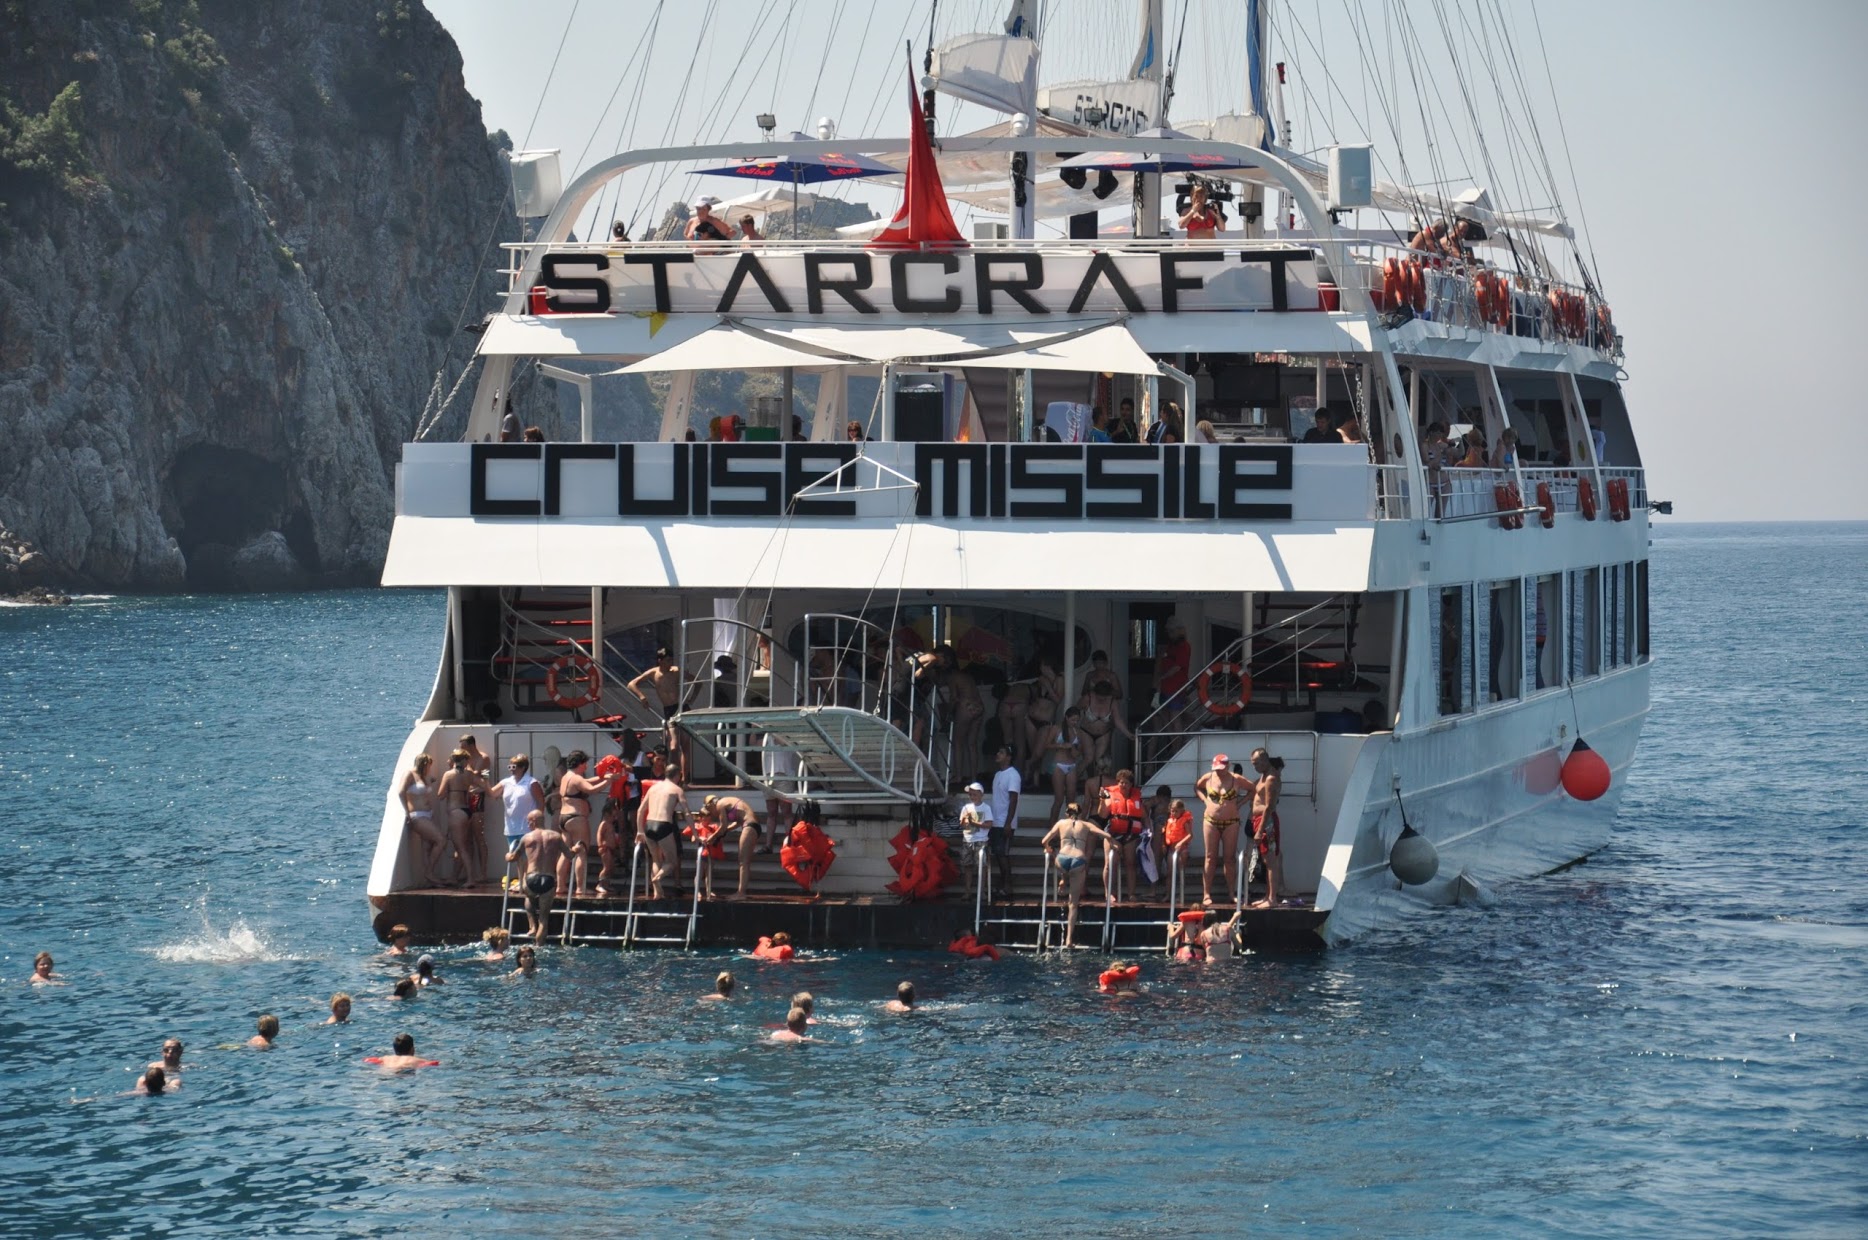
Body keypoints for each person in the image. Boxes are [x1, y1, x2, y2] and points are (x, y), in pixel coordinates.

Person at [1041, 804, 1113, 949]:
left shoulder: (1061, 823)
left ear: (1067, 813)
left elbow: (1044, 841)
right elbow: (1107, 835)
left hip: (1061, 860)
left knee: (1054, 856)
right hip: (1078, 861)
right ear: (1080, 814)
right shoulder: (1086, 825)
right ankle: (1069, 939)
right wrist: (1112, 843)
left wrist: (1048, 849)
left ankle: (1063, 879)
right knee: (1073, 904)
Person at [1196, 754, 1250, 908]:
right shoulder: (1208, 777)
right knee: (1210, 857)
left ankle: (1231, 893)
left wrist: (1239, 803)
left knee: (1229, 858)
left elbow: (1252, 789)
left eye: (1221, 768)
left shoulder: (1236, 779)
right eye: (1216, 769)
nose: (1218, 771)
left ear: (1227, 766)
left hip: (1231, 822)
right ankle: (1206, 894)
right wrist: (1205, 800)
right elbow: (1197, 787)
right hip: (1211, 821)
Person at [488, 754, 546, 887]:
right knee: (517, 856)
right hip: (511, 826)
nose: (511, 769)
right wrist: (484, 780)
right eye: (510, 766)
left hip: (528, 826)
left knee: (528, 856)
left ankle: (527, 881)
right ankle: (521, 881)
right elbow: (492, 794)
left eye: (514, 766)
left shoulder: (531, 782)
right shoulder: (506, 782)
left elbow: (541, 801)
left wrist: (539, 821)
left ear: (523, 767)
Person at [509, 808, 567, 941]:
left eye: (529, 822)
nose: (528, 825)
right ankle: (539, 947)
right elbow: (569, 855)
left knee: (529, 897)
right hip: (548, 879)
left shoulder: (527, 837)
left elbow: (514, 857)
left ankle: (532, 926)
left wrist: (507, 855)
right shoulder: (556, 836)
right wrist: (577, 849)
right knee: (544, 918)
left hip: (531, 878)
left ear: (534, 821)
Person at [556, 751, 606, 899]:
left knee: (566, 853)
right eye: (585, 763)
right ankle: (580, 888)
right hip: (576, 818)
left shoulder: (566, 776)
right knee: (581, 852)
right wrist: (609, 782)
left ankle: (560, 885)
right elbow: (592, 789)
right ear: (580, 763)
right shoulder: (577, 778)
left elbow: (588, 781)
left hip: (563, 818)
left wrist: (604, 777)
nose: (586, 766)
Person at [435, 749, 487, 887]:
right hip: (467, 811)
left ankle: (471, 879)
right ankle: (454, 877)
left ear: (453, 760)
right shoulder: (469, 774)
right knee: (463, 845)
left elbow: (440, 795)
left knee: (461, 847)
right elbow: (483, 783)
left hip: (455, 811)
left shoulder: (448, 774)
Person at [696, 794, 763, 900]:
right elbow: (736, 823)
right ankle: (741, 892)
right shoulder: (727, 801)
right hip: (752, 826)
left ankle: (741, 893)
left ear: (711, 804)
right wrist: (725, 831)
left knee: (743, 862)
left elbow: (723, 826)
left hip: (749, 827)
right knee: (744, 862)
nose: (712, 813)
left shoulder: (720, 804)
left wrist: (712, 837)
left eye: (709, 810)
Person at [1075, 649, 1133, 772]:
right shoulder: (1090, 678)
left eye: (1101, 663)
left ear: (1106, 663)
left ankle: (1098, 784)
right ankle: (1079, 781)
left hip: (1105, 726)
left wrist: (1129, 734)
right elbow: (1077, 704)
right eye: (1096, 663)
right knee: (1088, 758)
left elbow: (1120, 697)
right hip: (1088, 726)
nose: (1099, 665)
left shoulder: (1111, 678)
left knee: (1101, 760)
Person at [637, 762, 688, 901]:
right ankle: (656, 878)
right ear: (678, 775)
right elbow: (687, 813)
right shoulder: (677, 789)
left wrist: (639, 831)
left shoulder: (653, 788)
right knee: (672, 862)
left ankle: (657, 893)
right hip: (664, 825)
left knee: (656, 860)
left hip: (648, 825)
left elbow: (640, 810)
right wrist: (694, 833)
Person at [628, 648, 691, 753]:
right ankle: (672, 768)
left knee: (685, 746)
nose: (670, 663)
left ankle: (684, 770)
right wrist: (641, 696)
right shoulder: (653, 673)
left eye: (671, 660)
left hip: (681, 707)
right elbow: (631, 684)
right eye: (667, 661)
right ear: (660, 661)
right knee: (673, 746)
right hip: (669, 710)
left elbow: (698, 681)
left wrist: (692, 697)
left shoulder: (676, 671)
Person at [1099, 768, 1147, 903]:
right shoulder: (1111, 796)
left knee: (1131, 864)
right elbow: (1102, 814)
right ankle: (1109, 892)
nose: (1123, 785)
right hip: (1113, 834)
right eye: (1120, 782)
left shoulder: (1136, 797)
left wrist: (1149, 830)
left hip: (1130, 835)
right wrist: (1102, 800)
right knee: (1109, 864)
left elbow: (1144, 816)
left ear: (1131, 785)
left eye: (1126, 783)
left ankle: (1131, 893)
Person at [398, 753, 447, 884]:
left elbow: (433, 780)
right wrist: (406, 812)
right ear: (424, 764)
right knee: (441, 840)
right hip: (417, 815)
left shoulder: (424, 776)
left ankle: (428, 878)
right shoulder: (409, 774)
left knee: (427, 846)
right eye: (429, 766)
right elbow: (400, 791)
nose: (430, 769)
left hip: (428, 814)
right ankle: (429, 872)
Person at [1248, 748, 1285, 907]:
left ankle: (1272, 899)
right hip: (1259, 820)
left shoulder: (1270, 778)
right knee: (1265, 859)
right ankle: (1267, 896)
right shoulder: (1263, 776)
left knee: (1271, 860)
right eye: (1253, 764)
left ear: (1265, 760)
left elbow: (1269, 807)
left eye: (1256, 764)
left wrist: (1260, 829)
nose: (1255, 767)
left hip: (1267, 822)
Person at [1039, 707, 1085, 822]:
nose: (1075, 722)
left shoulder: (1077, 732)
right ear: (1066, 718)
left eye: (1077, 720)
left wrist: (1076, 752)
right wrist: (1061, 746)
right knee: (1059, 798)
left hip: (1072, 765)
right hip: (1058, 765)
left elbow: (1080, 750)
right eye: (1072, 720)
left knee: (1071, 798)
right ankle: (1052, 827)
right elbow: (1046, 745)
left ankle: (1071, 826)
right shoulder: (1056, 729)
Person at [988, 745, 1022, 900]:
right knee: (998, 855)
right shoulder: (997, 775)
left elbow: (1013, 799)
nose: (997, 754)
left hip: (1005, 822)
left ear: (1009, 757)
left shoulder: (1013, 775)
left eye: (1001, 752)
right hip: (995, 822)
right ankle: (1002, 885)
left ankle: (1008, 887)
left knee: (1003, 855)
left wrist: (1008, 823)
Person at [957, 781, 993, 898]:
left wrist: (975, 823)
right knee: (967, 866)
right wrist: (964, 820)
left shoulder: (986, 808)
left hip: (981, 840)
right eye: (970, 795)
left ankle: (981, 892)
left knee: (982, 867)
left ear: (981, 795)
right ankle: (967, 891)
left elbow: (989, 824)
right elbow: (962, 824)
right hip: (967, 840)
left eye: (974, 794)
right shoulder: (966, 807)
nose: (972, 797)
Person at [594, 797, 633, 898]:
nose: (615, 818)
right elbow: (599, 834)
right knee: (606, 867)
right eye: (613, 816)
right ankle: (600, 884)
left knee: (611, 867)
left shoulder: (611, 825)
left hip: (611, 849)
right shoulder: (604, 824)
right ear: (607, 814)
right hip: (605, 848)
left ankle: (606, 884)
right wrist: (600, 845)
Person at [1155, 618, 1192, 707]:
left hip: (1176, 687)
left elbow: (1177, 667)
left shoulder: (1183, 647)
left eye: (1172, 631)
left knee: (1174, 714)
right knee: (1162, 712)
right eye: (1168, 632)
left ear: (1179, 631)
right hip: (1165, 687)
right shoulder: (1171, 646)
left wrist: (1163, 676)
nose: (1170, 634)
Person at [367, 1032, 439, 1071]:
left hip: (386, 1072)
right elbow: (434, 1063)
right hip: (404, 1071)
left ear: (394, 1049)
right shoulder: (417, 1060)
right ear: (412, 1049)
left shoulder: (385, 1058)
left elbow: (368, 1060)